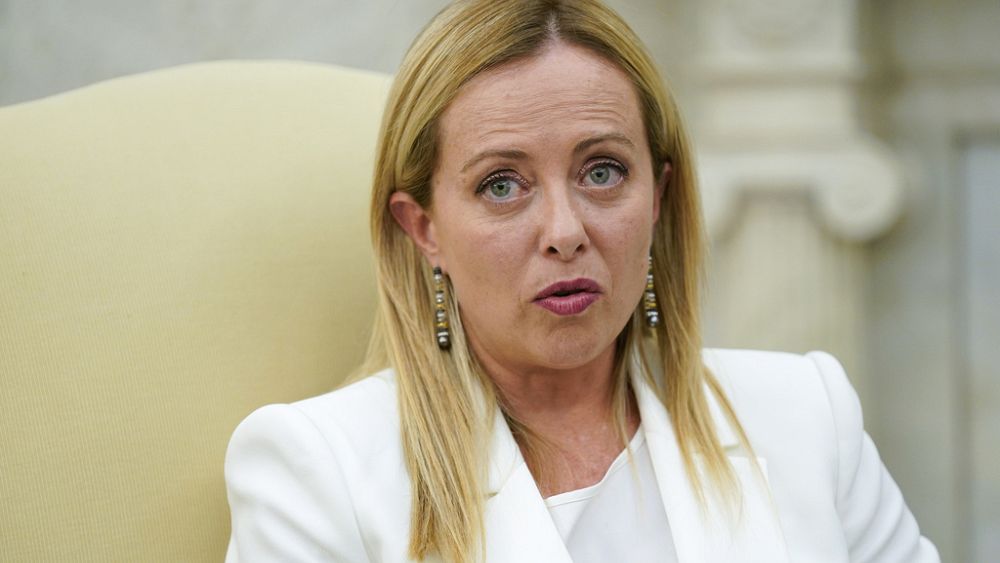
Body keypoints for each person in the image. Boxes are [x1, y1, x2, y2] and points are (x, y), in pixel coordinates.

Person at [223, 1, 940, 561]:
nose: (565, 231)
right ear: (424, 228)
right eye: (502, 184)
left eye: (602, 171)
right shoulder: (318, 469)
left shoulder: (806, 413)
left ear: (657, 197)